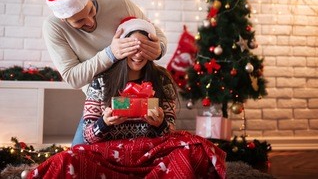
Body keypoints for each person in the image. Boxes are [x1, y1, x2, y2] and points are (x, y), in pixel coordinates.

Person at [26, 18, 226, 179]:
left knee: (193, 151)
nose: (138, 54)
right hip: (109, 157)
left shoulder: (162, 80)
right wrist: (104, 123)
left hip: (150, 155)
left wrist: (159, 124)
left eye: (144, 47)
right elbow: (88, 136)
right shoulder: (101, 80)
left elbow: (168, 131)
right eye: (132, 47)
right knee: (68, 159)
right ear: (122, 47)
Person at [43, 0, 167, 145]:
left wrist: (158, 48)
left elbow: (159, 36)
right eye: (79, 21)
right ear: (63, 20)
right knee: (79, 155)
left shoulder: (120, 3)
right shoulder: (54, 28)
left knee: (145, 148)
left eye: (91, 10)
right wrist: (110, 54)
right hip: (99, 104)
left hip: (141, 97)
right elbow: (72, 78)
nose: (90, 21)